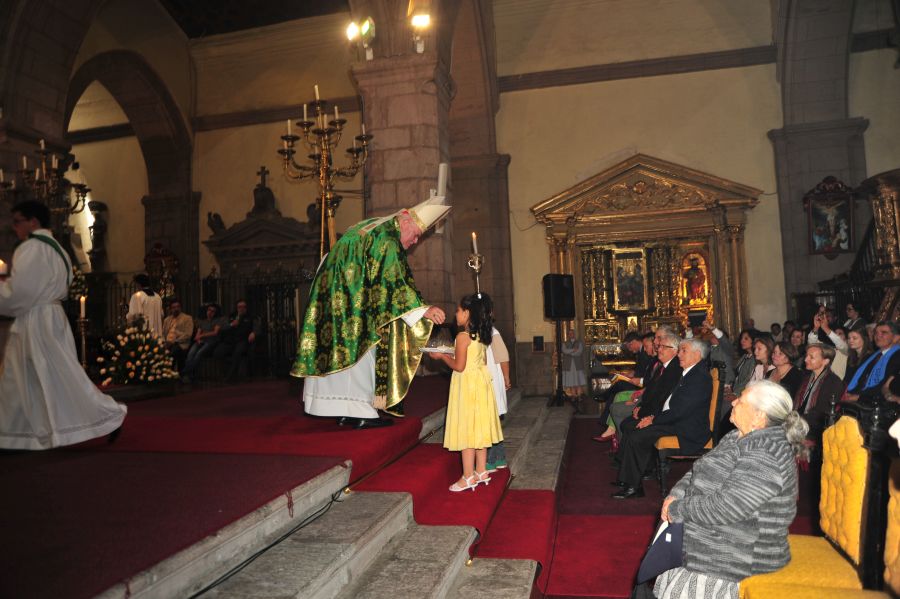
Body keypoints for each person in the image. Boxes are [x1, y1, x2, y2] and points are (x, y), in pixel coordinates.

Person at [291, 196, 450, 428]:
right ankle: (361, 413)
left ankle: (344, 411)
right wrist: (423, 310)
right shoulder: (388, 239)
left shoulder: (372, 226)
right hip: (353, 305)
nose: (415, 241)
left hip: (336, 296)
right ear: (405, 221)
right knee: (361, 351)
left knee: (340, 350)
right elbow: (394, 282)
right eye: (416, 234)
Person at [655, 380, 808, 599]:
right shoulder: (737, 436)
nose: (734, 401)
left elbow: (728, 507)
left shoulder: (767, 453)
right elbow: (699, 470)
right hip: (712, 540)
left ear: (759, 416)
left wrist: (679, 508)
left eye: (741, 400)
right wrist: (675, 495)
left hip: (736, 558)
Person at [0, 200, 126, 449]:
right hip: (49, 316)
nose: (14, 227)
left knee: (58, 376)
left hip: (36, 320)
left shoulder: (32, 248)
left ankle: (110, 414)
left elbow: (20, 292)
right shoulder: (57, 247)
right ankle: (15, 436)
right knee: (23, 378)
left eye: (17, 221)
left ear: (33, 222)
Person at [612, 338, 712, 499]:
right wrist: (652, 416)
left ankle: (633, 487)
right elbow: (671, 404)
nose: (679, 354)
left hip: (686, 428)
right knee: (632, 427)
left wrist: (653, 419)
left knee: (637, 435)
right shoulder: (689, 372)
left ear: (697, 354)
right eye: (679, 350)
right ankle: (629, 479)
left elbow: (680, 411)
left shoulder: (699, 377)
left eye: (683, 351)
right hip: (677, 420)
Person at [434, 294, 503, 492]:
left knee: (467, 431)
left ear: (467, 313)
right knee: (479, 428)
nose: (456, 314)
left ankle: (467, 476)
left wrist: (442, 356)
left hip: (467, 387)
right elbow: (480, 362)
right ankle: (481, 471)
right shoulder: (483, 335)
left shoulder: (462, 337)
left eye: (458, 310)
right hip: (481, 385)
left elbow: (459, 366)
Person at [608, 328, 683, 451]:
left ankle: (628, 454)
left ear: (675, 351)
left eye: (662, 346)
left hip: (659, 413)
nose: (658, 347)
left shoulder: (674, 369)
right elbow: (651, 389)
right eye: (658, 344)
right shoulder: (662, 366)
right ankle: (624, 452)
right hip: (649, 405)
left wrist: (643, 411)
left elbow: (663, 398)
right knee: (624, 420)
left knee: (627, 423)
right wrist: (640, 406)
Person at [794, 343, 844, 447]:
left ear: (825, 361)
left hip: (816, 429)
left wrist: (796, 422)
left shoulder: (833, 382)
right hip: (801, 422)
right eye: (806, 356)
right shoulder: (807, 378)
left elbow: (821, 413)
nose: (806, 359)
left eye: (811, 357)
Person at [846, 321, 900, 400]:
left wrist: (858, 397)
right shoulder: (874, 356)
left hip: (875, 403)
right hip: (858, 397)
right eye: (876, 332)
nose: (878, 335)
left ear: (896, 337)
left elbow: (885, 386)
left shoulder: (897, 356)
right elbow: (861, 379)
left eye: (883, 332)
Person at [214, 299, 260, 382]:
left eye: (243, 307)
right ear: (237, 308)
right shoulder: (231, 316)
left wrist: (254, 332)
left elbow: (257, 327)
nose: (241, 309)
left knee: (237, 352)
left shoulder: (251, 316)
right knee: (218, 352)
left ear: (246, 308)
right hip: (230, 340)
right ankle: (227, 371)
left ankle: (229, 377)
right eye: (239, 307)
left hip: (243, 340)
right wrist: (231, 324)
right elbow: (222, 328)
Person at [181, 303, 225, 383]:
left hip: (212, 341)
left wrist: (202, 335)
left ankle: (184, 373)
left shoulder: (218, 320)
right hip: (202, 340)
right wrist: (198, 338)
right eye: (209, 310)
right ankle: (190, 376)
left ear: (215, 313)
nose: (210, 312)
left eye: (213, 311)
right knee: (190, 354)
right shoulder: (203, 321)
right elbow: (198, 332)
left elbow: (215, 332)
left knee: (199, 353)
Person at [126, 273, 163, 338]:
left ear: (138, 284)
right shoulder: (158, 297)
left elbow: (134, 315)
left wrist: (127, 315)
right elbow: (162, 315)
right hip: (157, 335)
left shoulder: (137, 296)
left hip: (145, 335)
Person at [161, 298, 193, 371]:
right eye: (174, 307)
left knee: (173, 352)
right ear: (170, 309)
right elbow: (163, 333)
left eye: (178, 307)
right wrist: (163, 341)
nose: (176, 309)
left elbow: (188, 334)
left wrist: (174, 341)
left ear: (180, 308)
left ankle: (171, 373)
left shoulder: (187, 318)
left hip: (180, 343)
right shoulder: (167, 320)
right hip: (168, 342)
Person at [561, 327, 587, 402]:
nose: (571, 334)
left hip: (577, 365)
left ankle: (579, 396)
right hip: (569, 365)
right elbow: (564, 351)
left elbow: (579, 352)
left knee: (578, 381)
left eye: (572, 333)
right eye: (569, 334)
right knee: (571, 381)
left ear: (574, 334)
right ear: (568, 335)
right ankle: (573, 395)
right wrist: (573, 350)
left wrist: (570, 353)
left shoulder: (579, 343)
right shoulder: (564, 343)